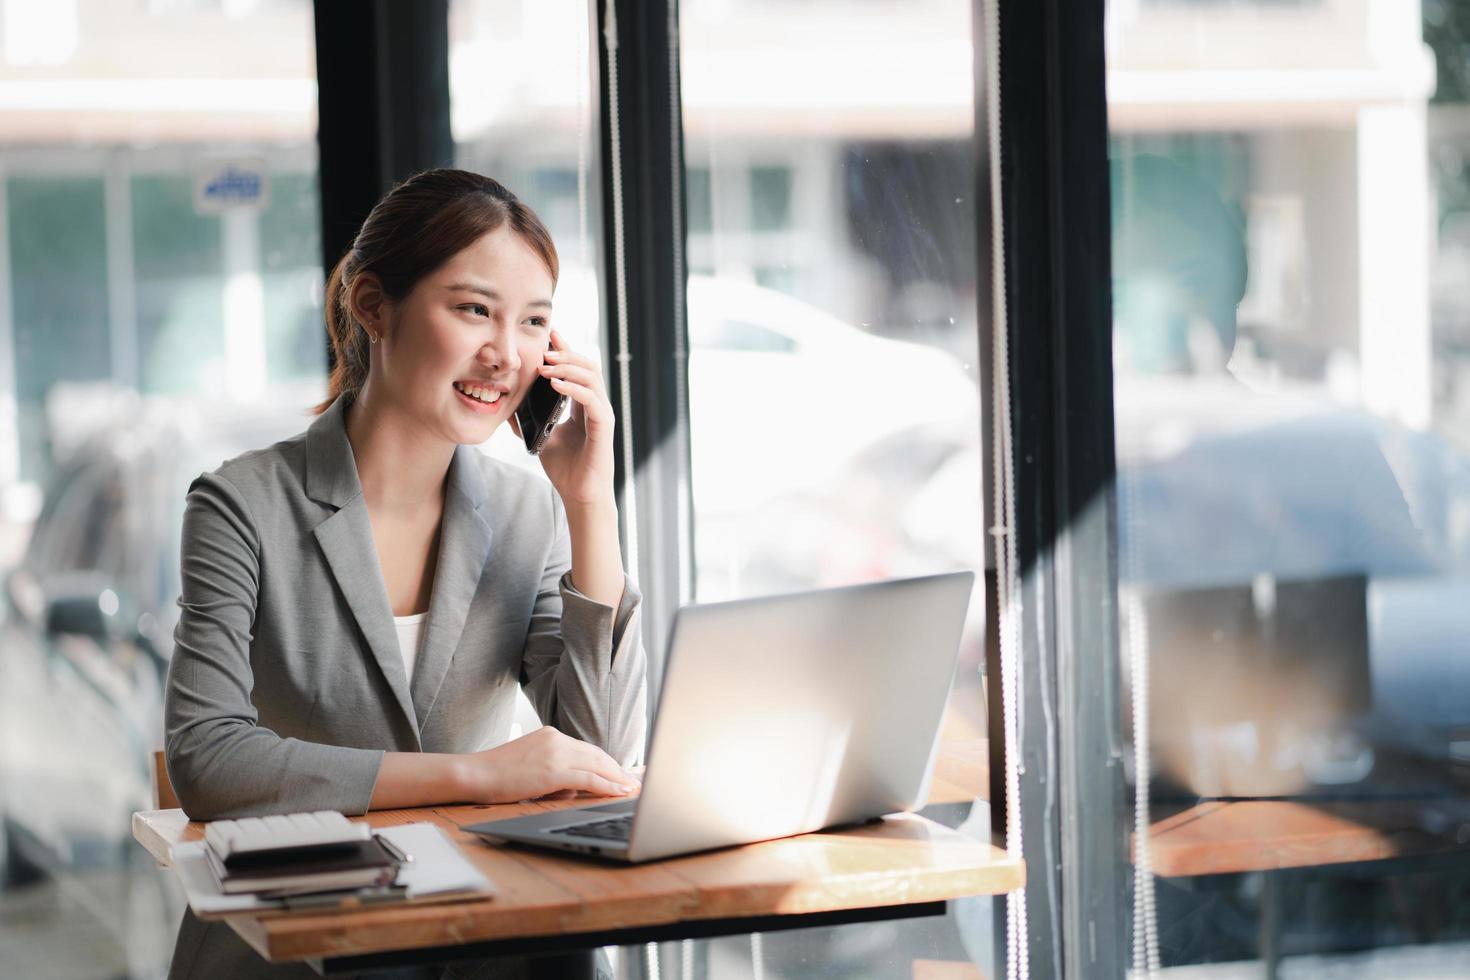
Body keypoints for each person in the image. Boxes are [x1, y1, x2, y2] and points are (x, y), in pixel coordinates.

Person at [163, 169, 648, 978]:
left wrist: (591, 503)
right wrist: (477, 777)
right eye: (473, 309)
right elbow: (208, 761)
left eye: (533, 322)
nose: (506, 353)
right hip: (300, 943)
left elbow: (600, 751)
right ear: (373, 307)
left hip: (483, 935)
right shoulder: (239, 504)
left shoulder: (532, 511)